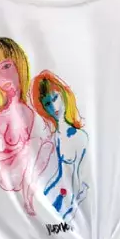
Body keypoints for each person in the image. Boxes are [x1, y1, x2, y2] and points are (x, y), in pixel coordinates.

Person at [0, 37, 53, 216]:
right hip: (10, 174)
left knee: (47, 145)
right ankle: (29, 201)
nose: (2, 75)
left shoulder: (28, 107)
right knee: (35, 146)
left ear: (19, 64)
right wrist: (17, 150)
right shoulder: (1, 116)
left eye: (7, 66)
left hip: (30, 168)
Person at [30, 70, 89, 220]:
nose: (53, 107)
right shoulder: (56, 136)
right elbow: (59, 173)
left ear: (63, 94)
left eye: (55, 98)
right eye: (47, 104)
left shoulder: (79, 137)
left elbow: (76, 176)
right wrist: (45, 192)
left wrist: (72, 206)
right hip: (58, 192)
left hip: (71, 198)